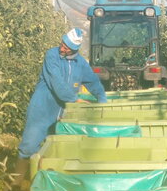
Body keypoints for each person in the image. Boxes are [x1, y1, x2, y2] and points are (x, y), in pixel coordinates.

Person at [15, 28, 107, 179]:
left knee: (54, 147)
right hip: (43, 106)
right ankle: (16, 182)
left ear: (74, 50)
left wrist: (101, 98)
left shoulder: (80, 63)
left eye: (66, 47)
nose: (62, 48)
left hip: (63, 111)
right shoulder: (52, 55)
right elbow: (56, 81)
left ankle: (44, 178)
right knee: (29, 145)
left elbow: (92, 81)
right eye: (62, 44)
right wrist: (74, 99)